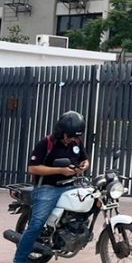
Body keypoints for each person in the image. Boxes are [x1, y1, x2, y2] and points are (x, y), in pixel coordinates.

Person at [14, 111, 90, 263]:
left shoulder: (76, 142)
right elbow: (32, 168)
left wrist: (84, 165)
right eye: (70, 136)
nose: (73, 139)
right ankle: (19, 260)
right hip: (48, 188)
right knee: (36, 225)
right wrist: (60, 170)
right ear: (61, 132)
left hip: (72, 184)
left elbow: (85, 159)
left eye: (76, 136)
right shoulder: (46, 143)